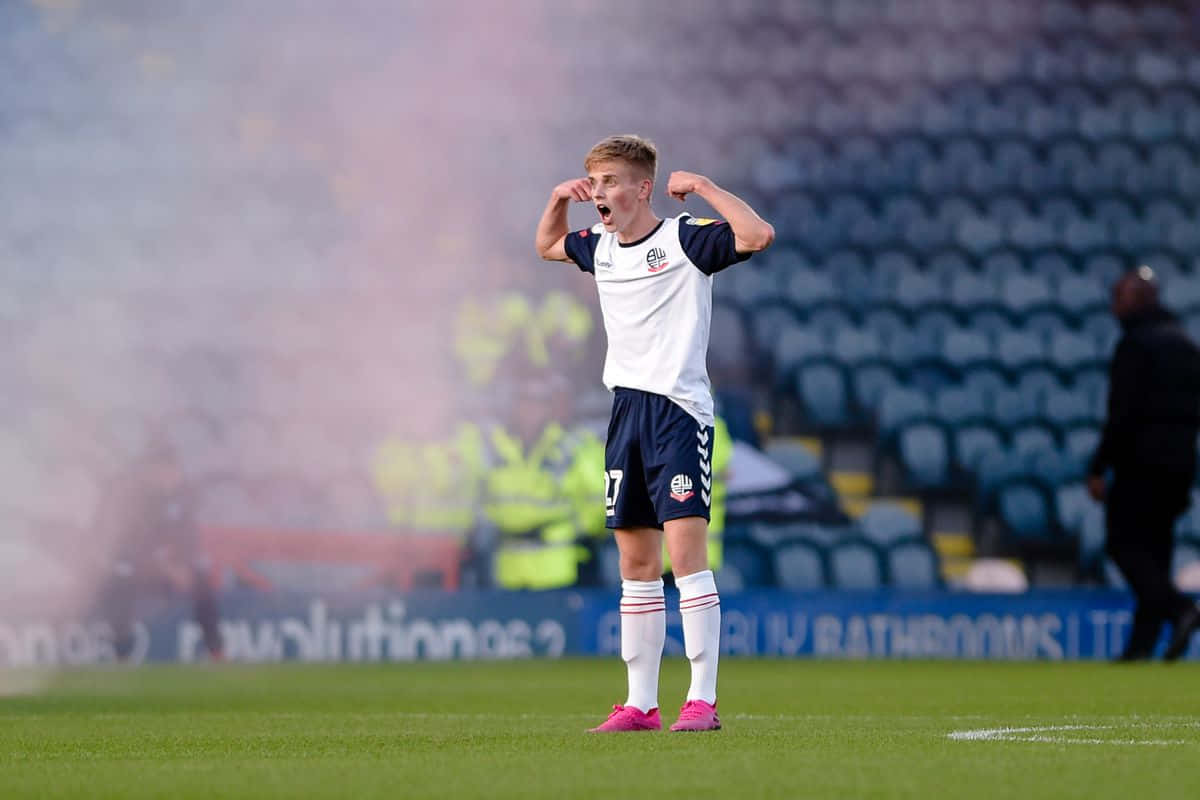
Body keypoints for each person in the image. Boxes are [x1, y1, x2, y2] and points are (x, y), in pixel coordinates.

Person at [535, 134, 774, 731]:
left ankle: (703, 699)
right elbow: (545, 246)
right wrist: (558, 199)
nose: (601, 193)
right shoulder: (599, 246)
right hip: (625, 414)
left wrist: (705, 188)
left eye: (611, 180)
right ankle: (640, 702)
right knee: (635, 563)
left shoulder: (685, 237)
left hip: (679, 412)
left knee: (686, 558)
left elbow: (756, 235)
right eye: (595, 181)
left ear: (644, 187)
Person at [1087, 266, 1200, 662]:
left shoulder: (1135, 345)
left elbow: (1122, 414)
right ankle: (1139, 649)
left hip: (1140, 464)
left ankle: (1179, 608)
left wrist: (1099, 467)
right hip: (1181, 464)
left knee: (1123, 544)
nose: (1113, 306)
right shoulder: (1186, 344)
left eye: (1119, 297)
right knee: (1157, 553)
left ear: (1138, 299)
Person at [95, 442, 224, 661]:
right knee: (119, 580)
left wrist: (182, 565)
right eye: (162, 470)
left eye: (172, 469)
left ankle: (218, 652)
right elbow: (134, 543)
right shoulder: (135, 500)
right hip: (140, 568)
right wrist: (166, 567)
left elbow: (189, 538)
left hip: (172, 568)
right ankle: (121, 654)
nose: (169, 476)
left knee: (201, 581)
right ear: (149, 472)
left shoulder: (185, 499)